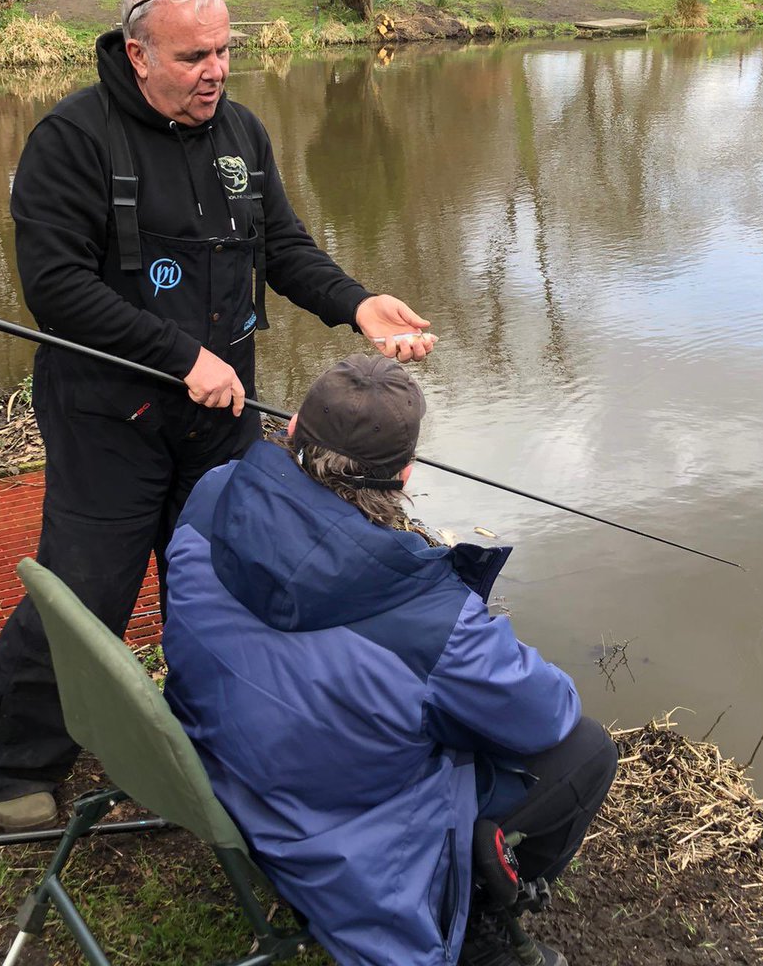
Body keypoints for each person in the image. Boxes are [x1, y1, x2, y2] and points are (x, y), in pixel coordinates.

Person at [0, 0, 436, 831]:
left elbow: (282, 247)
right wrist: (181, 356)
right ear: (137, 53)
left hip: (218, 412)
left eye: (224, 50)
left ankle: (202, 732)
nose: (215, 70)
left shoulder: (242, 133)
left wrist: (355, 302)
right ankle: (3, 762)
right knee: (89, 586)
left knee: (217, 574)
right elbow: (55, 287)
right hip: (108, 412)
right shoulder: (72, 139)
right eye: (191, 56)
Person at [163, 354, 618, 966]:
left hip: (218, 765)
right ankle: (480, 914)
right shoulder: (432, 618)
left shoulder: (215, 492)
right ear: (403, 476)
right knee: (586, 750)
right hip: (333, 846)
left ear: (293, 428)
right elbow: (548, 713)